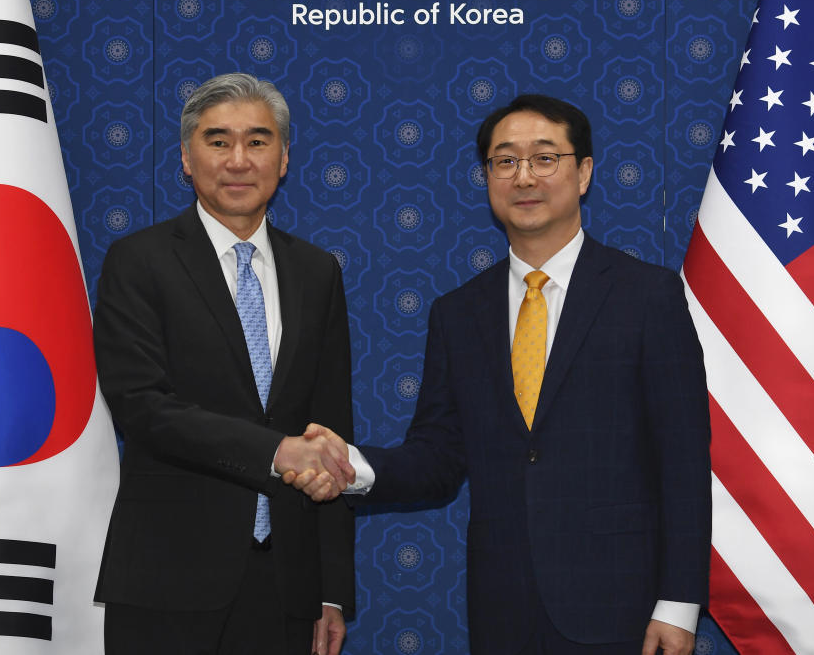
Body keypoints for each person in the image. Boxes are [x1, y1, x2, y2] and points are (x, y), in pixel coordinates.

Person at [297, 95, 711, 655]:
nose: (524, 177)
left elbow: (683, 460)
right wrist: (355, 466)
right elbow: (439, 456)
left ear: (583, 172)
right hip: (503, 609)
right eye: (505, 161)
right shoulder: (458, 313)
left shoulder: (648, 296)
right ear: (488, 177)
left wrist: (680, 602)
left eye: (545, 158)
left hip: (625, 608)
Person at [93, 72, 355, 655]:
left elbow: (332, 429)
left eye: (258, 141)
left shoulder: (317, 273)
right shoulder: (139, 261)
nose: (238, 159)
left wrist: (332, 590)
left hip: (287, 583)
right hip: (167, 577)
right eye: (218, 141)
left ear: (284, 159)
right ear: (187, 158)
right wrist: (276, 452)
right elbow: (142, 407)